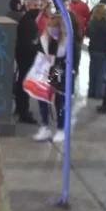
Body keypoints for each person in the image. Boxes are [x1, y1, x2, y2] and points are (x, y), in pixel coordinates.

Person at [33, 14, 78, 143]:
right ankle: (45, 126)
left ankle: (60, 129)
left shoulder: (69, 42)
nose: (52, 29)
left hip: (61, 71)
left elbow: (73, 61)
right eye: (50, 26)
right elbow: (39, 57)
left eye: (56, 27)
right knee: (42, 98)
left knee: (60, 102)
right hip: (46, 71)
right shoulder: (44, 40)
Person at [15, 0, 41, 124]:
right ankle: (23, 112)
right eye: (34, 5)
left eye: (38, 5)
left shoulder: (29, 20)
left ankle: (22, 109)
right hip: (26, 57)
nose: (37, 8)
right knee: (24, 84)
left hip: (26, 57)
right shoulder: (27, 22)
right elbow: (27, 43)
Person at [86, 3, 106, 99]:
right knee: (101, 72)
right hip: (103, 49)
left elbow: (88, 34)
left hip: (93, 48)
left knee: (92, 71)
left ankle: (91, 91)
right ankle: (99, 93)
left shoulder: (91, 23)